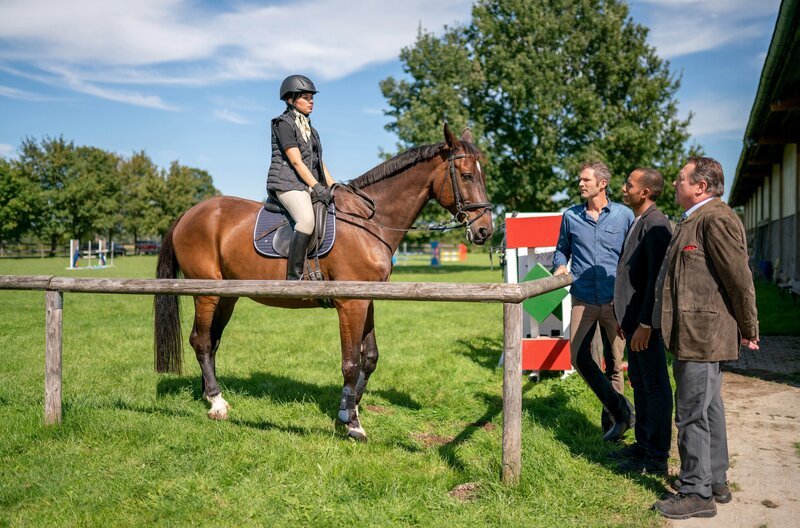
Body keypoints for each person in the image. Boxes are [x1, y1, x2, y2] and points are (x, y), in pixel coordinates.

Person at [652, 157, 759, 520]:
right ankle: (714, 479)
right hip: (696, 333)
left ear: (701, 185)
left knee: (691, 414)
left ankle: (696, 491)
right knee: (708, 407)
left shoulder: (716, 218)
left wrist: (749, 327)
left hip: (703, 334)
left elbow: (739, 278)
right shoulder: (695, 218)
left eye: (681, 178)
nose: (676, 182)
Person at [554, 161, 635, 442]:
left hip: (615, 301)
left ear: (602, 183)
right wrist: (559, 265)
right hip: (583, 297)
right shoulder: (571, 216)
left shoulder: (624, 216)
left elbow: (631, 256)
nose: (580, 184)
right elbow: (562, 249)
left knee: (614, 363)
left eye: (585, 179)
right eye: (579, 179)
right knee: (577, 356)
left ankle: (613, 427)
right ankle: (622, 409)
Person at [611, 168, 673, 474]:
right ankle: (643, 445)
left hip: (645, 327)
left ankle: (656, 456)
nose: (624, 188)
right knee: (642, 385)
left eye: (630, 185)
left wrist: (647, 324)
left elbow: (657, 282)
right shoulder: (640, 221)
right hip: (633, 324)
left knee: (655, 386)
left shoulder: (657, 224)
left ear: (645, 192)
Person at [266, 74, 336, 280]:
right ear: (290, 100)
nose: (311, 101)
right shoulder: (283, 123)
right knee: (306, 221)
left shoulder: (311, 130)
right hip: (287, 182)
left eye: (312, 97)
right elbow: (296, 161)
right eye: (305, 97)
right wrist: (316, 186)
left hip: (305, 183)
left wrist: (333, 186)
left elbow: (318, 161)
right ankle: (294, 278)